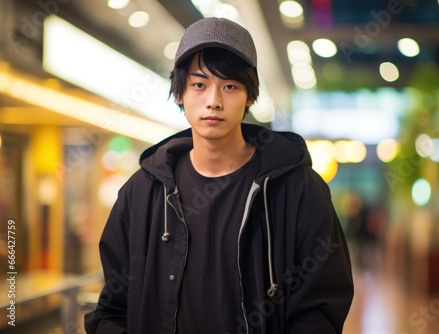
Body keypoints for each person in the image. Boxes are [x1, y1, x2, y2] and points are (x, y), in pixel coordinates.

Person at [85, 17, 353, 334]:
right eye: (199, 85)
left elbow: (321, 309)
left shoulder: (297, 189)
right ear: (180, 93)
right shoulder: (142, 192)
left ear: (250, 97)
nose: (213, 101)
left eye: (229, 86)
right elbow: (113, 309)